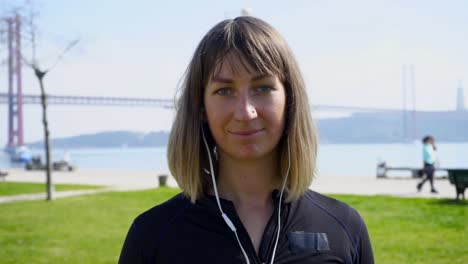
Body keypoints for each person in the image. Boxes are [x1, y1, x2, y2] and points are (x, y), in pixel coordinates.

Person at [119, 16, 374, 264]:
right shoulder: (153, 236)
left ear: (290, 100)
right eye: (224, 91)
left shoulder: (344, 228)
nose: (245, 112)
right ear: (200, 108)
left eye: (262, 87)